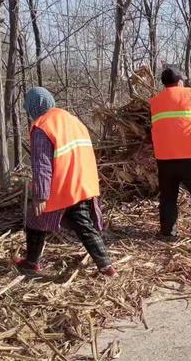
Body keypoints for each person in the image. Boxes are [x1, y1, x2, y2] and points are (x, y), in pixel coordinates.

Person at [14, 87, 115, 276]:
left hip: (64, 185)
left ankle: (31, 263)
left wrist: (41, 196)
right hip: (84, 180)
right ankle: (106, 266)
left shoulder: (42, 126)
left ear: (33, 107)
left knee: (37, 218)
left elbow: (42, 165)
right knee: (82, 223)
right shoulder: (71, 119)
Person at [150, 67, 191, 240]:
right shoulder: (190, 95)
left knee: (168, 196)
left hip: (164, 159)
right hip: (188, 157)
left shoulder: (155, 102)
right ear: (179, 81)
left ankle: (167, 233)